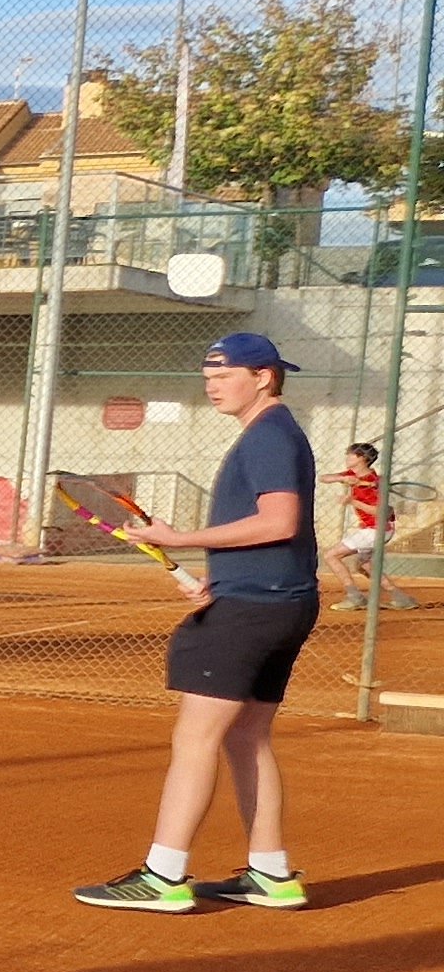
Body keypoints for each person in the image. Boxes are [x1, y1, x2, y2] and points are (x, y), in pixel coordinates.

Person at [77, 330, 318, 914]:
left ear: (263, 376)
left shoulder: (267, 436)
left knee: (196, 737)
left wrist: (179, 538)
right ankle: (271, 874)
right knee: (246, 736)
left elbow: (279, 521)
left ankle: (164, 875)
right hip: (278, 599)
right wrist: (223, 574)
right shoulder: (277, 433)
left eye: (224, 374)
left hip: (253, 609)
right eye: (207, 376)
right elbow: (272, 535)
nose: (212, 385)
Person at [333, 439, 415, 612]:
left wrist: (352, 501)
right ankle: (400, 598)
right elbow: (324, 478)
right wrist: (344, 479)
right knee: (364, 565)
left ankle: (354, 597)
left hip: (376, 529)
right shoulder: (354, 476)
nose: (347, 457)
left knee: (331, 556)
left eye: (351, 455)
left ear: (361, 458)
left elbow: (381, 512)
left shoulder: (376, 483)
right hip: (371, 529)